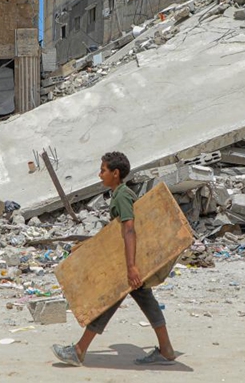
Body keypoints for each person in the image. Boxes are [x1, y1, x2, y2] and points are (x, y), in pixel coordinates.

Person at [51, 151, 177, 367]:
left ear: (115, 173)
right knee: (146, 301)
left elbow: (129, 230)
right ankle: (166, 350)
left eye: (103, 170)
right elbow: (116, 233)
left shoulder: (121, 195)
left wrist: (131, 267)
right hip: (129, 260)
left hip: (130, 262)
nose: (100, 175)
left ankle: (79, 351)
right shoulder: (121, 194)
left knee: (107, 300)